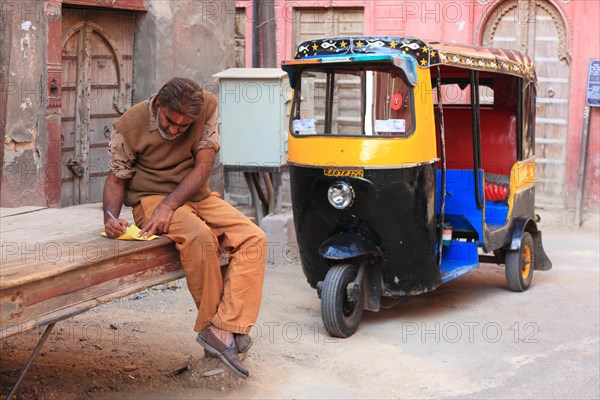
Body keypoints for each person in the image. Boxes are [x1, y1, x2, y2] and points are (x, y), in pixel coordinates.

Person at [102, 77, 267, 379]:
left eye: (183, 126)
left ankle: (225, 327)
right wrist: (110, 218)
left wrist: (172, 204)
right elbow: (116, 179)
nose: (175, 129)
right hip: (151, 199)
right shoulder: (129, 126)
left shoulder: (208, 107)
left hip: (194, 193)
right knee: (200, 238)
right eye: (169, 121)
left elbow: (203, 167)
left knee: (253, 237)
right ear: (159, 104)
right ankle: (217, 331)